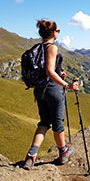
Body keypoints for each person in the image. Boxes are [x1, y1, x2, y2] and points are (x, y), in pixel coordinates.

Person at [23, 20, 79, 170]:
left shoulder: (37, 48)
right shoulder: (52, 47)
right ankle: (63, 153)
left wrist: (60, 73)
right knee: (58, 124)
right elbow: (49, 71)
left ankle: (31, 156)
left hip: (39, 90)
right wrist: (67, 85)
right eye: (58, 31)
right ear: (54, 33)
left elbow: (47, 70)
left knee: (43, 123)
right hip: (53, 90)